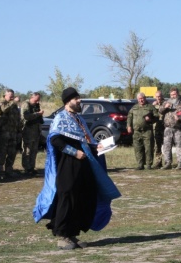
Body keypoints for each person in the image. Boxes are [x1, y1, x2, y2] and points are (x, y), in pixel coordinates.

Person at [33, 87, 121, 250]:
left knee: (80, 197)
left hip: (84, 164)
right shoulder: (61, 118)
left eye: (79, 98)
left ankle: (72, 234)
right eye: (76, 99)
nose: (79, 101)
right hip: (68, 165)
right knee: (67, 196)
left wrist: (98, 147)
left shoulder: (78, 119)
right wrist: (74, 152)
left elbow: (86, 142)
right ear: (68, 101)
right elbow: (55, 141)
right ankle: (62, 236)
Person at [159, 88, 181, 169]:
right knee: (167, 146)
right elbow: (160, 111)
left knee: (179, 145)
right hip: (168, 127)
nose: (173, 96)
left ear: (178, 93)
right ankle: (167, 163)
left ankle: (180, 163)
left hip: (178, 127)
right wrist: (165, 107)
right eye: (172, 94)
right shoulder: (167, 102)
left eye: (175, 94)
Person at [0, 89, 21, 179]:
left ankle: (9, 170)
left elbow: (17, 118)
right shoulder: (1, 102)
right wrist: (13, 102)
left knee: (12, 152)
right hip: (3, 132)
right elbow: (4, 110)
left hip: (13, 132)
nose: (12, 97)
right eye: (10, 95)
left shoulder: (14, 105)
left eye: (12, 95)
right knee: (2, 152)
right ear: (5, 95)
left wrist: (18, 130)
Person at [127, 92, 157, 170]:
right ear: (137, 99)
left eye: (142, 98)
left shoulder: (150, 107)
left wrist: (150, 119)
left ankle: (149, 164)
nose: (141, 100)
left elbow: (157, 116)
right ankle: (140, 165)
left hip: (147, 131)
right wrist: (129, 126)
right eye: (139, 99)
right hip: (136, 131)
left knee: (149, 148)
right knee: (138, 148)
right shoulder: (134, 107)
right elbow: (129, 117)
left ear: (145, 98)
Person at [21, 92, 45, 176]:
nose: (38, 102)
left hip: (36, 131)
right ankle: (27, 168)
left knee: (34, 151)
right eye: (36, 100)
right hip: (28, 131)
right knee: (27, 150)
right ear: (32, 97)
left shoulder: (36, 106)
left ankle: (31, 167)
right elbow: (26, 116)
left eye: (39, 100)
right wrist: (38, 114)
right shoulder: (26, 104)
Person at [152, 91, 165, 168]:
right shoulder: (153, 105)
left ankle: (167, 161)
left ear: (162, 96)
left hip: (165, 127)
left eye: (159, 96)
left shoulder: (166, 104)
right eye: (156, 97)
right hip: (156, 127)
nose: (158, 98)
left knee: (166, 145)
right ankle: (158, 161)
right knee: (157, 145)